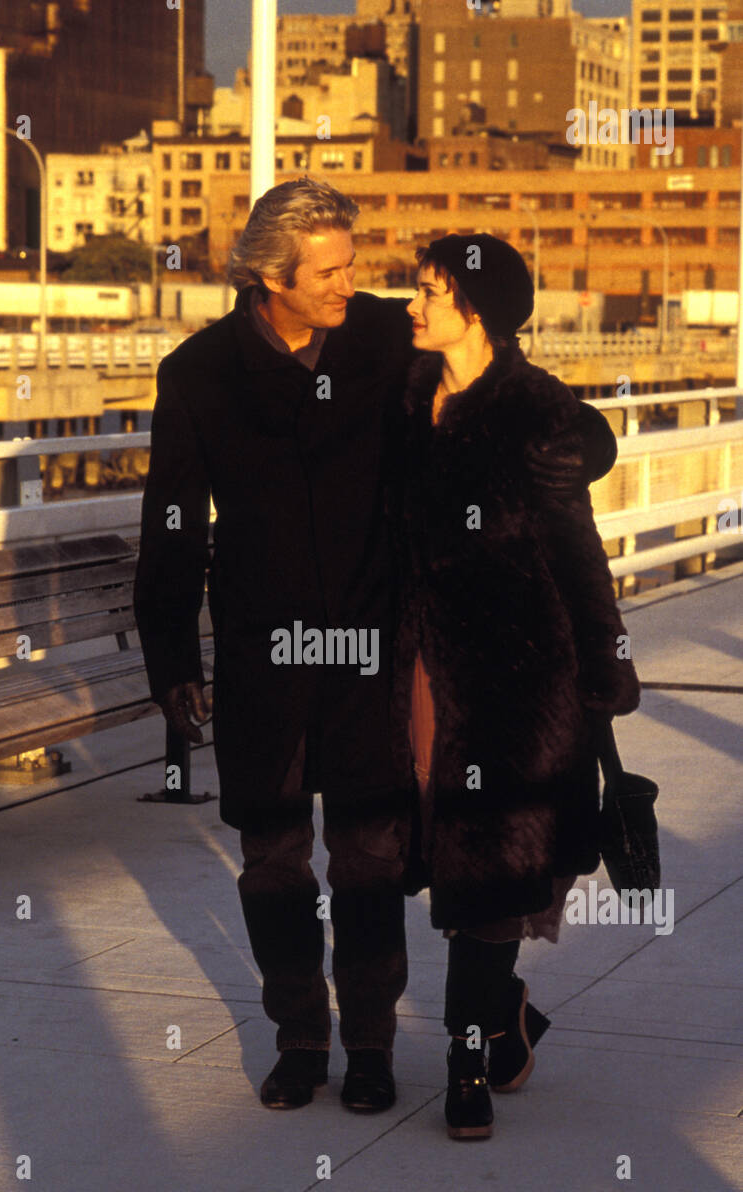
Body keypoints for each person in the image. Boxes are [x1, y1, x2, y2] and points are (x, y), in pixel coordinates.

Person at [133, 178, 416, 1114]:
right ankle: (301, 1037)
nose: (349, 282)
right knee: (273, 859)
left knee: (372, 852)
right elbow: (173, 521)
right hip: (263, 649)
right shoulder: (200, 372)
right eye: (329, 270)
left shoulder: (383, 336)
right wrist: (172, 657)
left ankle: (372, 1042)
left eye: (351, 264)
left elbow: (483, 381)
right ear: (270, 276)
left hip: (370, 639)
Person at [392, 234, 641, 1140]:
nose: (410, 305)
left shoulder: (534, 410)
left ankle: (464, 1070)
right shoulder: (407, 392)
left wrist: (606, 656)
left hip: (518, 679)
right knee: (441, 865)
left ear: (476, 307)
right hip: (421, 673)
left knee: (485, 879)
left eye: (426, 291)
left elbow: (577, 545)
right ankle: (506, 1027)